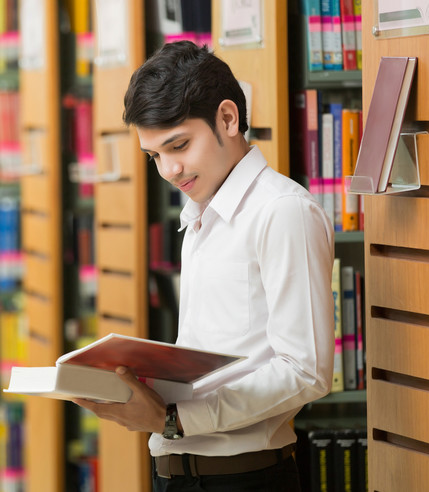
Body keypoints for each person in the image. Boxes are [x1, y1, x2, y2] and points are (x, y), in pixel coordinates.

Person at [73, 41, 335, 491]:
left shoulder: (281, 211)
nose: (170, 170)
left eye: (179, 145)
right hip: (175, 473)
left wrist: (174, 418)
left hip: (244, 479)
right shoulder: (200, 213)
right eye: (154, 155)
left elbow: (305, 371)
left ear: (228, 119)